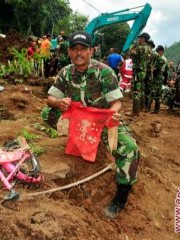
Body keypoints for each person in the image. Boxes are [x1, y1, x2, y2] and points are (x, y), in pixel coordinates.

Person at [46, 31, 140, 219]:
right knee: (47, 113)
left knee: (129, 148)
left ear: (91, 51)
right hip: (79, 121)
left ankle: (120, 198)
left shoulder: (105, 72)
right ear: (69, 52)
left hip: (101, 121)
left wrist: (112, 114)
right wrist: (59, 103)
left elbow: (116, 102)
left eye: (83, 49)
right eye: (74, 49)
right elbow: (50, 98)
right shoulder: (65, 72)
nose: (78, 53)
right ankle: (75, 139)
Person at [127, 32, 152, 117]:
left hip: (137, 71)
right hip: (143, 71)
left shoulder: (139, 48)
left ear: (143, 39)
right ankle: (142, 108)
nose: (138, 39)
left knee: (135, 91)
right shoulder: (149, 49)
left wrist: (134, 46)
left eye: (140, 38)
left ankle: (135, 112)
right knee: (141, 90)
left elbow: (130, 53)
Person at [147, 45, 167, 113]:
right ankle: (148, 108)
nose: (157, 53)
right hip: (155, 77)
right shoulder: (157, 59)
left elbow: (161, 68)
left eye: (158, 51)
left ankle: (156, 109)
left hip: (159, 77)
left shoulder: (163, 59)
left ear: (161, 51)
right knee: (152, 92)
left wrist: (154, 69)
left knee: (157, 93)